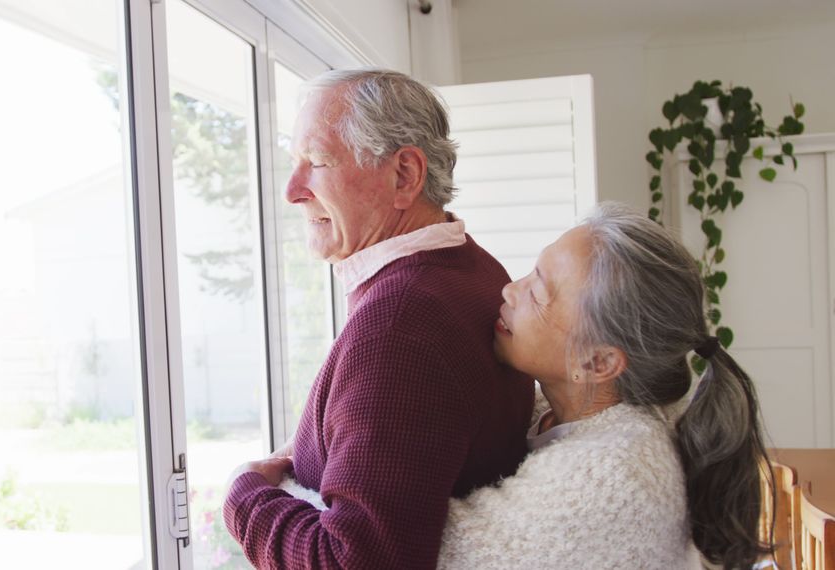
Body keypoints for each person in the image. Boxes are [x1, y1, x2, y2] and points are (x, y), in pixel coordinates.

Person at [222, 69, 534, 568]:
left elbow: (354, 559)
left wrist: (244, 498)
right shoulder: (475, 266)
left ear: (405, 176)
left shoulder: (402, 322)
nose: (292, 190)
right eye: (293, 162)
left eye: (317, 161)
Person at [436, 202, 772, 568]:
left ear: (598, 362)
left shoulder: (611, 477)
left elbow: (426, 547)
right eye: (532, 273)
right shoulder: (571, 414)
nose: (509, 291)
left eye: (537, 293)